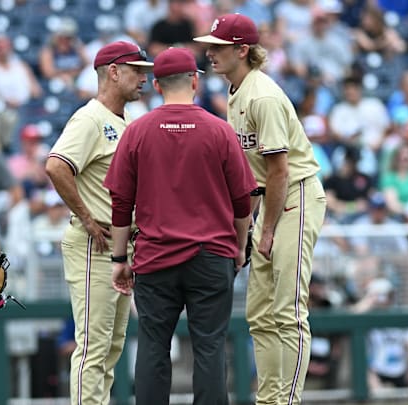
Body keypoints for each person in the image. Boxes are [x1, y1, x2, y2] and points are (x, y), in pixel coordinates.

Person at [104, 47, 257, 405]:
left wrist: (118, 258)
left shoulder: (137, 131)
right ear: (194, 80)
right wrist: (238, 246)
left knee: (154, 345)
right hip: (211, 255)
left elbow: (121, 202)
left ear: (156, 84)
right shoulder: (219, 130)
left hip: (156, 257)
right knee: (210, 347)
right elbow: (242, 200)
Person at [194, 14, 327, 405]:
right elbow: (254, 177)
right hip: (270, 203)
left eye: (218, 46)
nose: (210, 53)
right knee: (260, 315)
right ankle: (269, 399)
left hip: (294, 198)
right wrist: (245, 233)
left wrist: (264, 231)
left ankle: (287, 400)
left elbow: (280, 170)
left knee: (288, 312)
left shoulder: (262, 95)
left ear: (242, 50)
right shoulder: (238, 92)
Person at [44, 41, 153, 405]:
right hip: (97, 242)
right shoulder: (90, 117)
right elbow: (56, 166)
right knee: (93, 345)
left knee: (111, 346)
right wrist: (88, 218)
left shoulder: (124, 120)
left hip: (122, 245)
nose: (144, 78)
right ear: (113, 71)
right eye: (137, 70)